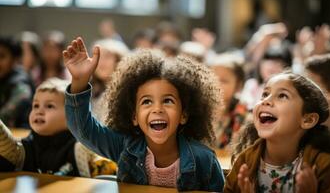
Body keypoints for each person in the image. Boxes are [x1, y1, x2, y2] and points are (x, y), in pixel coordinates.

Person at [63, 37, 225, 191]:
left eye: (167, 101)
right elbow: (84, 130)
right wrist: (80, 82)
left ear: (184, 115)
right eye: (147, 101)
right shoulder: (124, 146)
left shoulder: (204, 160)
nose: (157, 109)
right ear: (134, 116)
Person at [224, 71, 330, 193]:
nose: (266, 100)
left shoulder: (322, 165)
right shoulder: (244, 161)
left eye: (282, 96)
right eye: (265, 94)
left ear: (308, 119)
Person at [0, 78, 117, 177]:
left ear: (71, 115)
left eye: (49, 106)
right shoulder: (29, 144)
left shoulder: (84, 148)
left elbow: (108, 177)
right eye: (35, 105)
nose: (39, 111)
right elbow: (9, 149)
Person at [209, 54, 248, 150]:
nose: (216, 83)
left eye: (224, 81)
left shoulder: (243, 116)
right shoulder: (197, 109)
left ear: (238, 86)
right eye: (212, 77)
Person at [0, 36, 34, 128]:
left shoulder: (20, 84)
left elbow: (5, 116)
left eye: (2, 56)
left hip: (21, 136)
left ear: (14, 59)